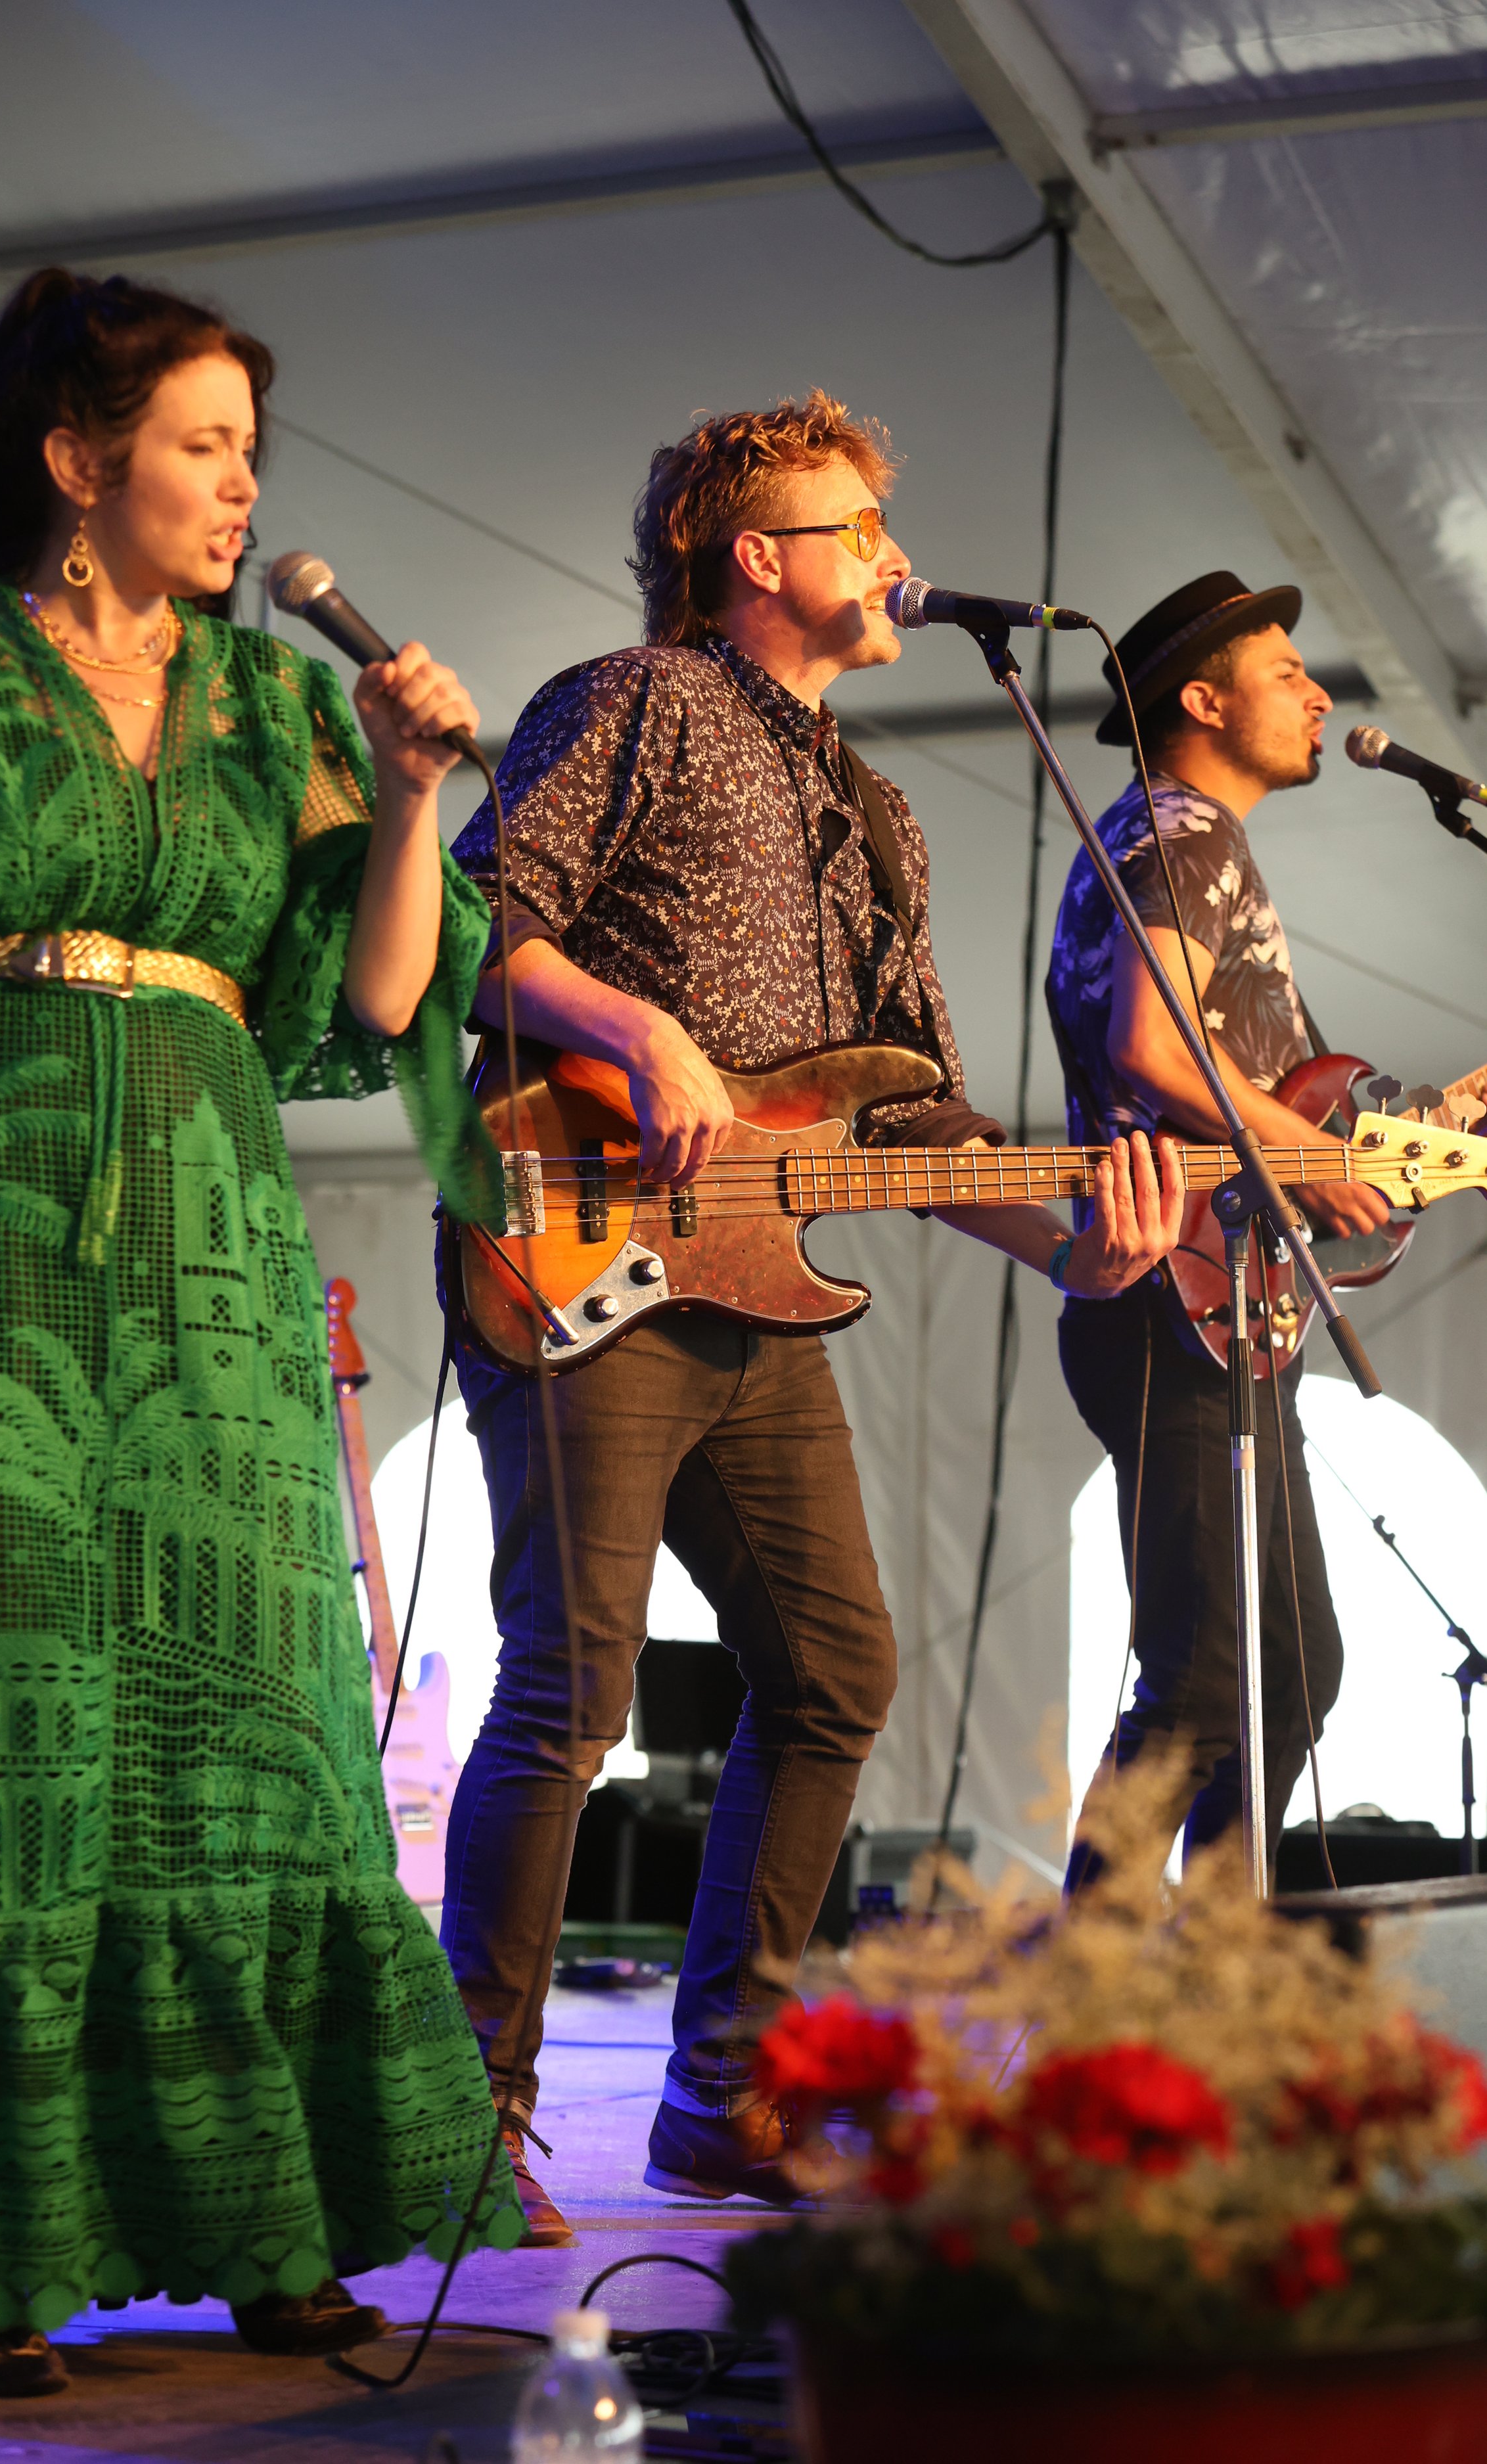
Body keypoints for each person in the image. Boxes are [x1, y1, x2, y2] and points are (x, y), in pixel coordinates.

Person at [0, 267, 519, 2397]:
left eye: (250, 453)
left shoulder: (282, 712)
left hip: (208, 1222)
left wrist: (412, 792)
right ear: (80, 460)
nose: (243, 491)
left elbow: (387, 1005)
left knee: (248, 1710)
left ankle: (276, 2215)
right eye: (205, 445)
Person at [439, 392, 1183, 2245]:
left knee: (837, 1664)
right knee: (570, 1680)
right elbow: (478, 931)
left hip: (761, 1292)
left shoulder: (882, 808)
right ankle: (469, 2114)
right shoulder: (631, 700)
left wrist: (1065, 1238)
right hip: (585, 1246)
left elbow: (911, 1117)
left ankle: (722, 2093)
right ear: (754, 553)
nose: (887, 555)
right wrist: (645, 1028)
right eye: (852, 524)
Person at [1048, 570, 1389, 1887]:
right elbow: (1149, 1044)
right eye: (1282, 673)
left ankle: (1206, 1991)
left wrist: (1374, 1140)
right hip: (1162, 1303)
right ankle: (1096, 2005)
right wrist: (1311, 1156)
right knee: (1202, 1680)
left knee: (1285, 1670)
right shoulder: (1182, 830)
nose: (1315, 693)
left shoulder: (1180, 835)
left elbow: (1236, 1083)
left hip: (1222, 1309)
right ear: (1200, 700)